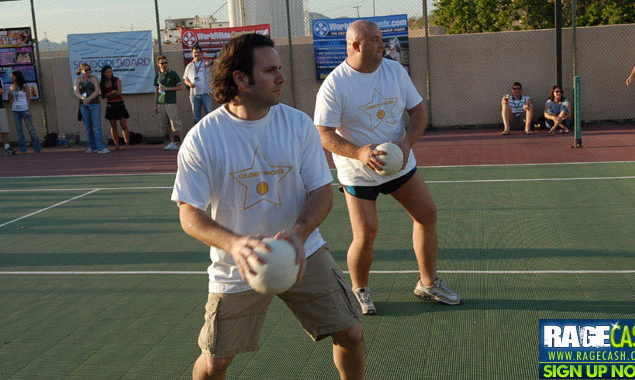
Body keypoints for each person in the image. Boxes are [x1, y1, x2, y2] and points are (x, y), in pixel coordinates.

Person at [172, 34, 364, 380]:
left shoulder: (298, 124)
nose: (281, 78)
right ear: (241, 80)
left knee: (350, 333)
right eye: (270, 70)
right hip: (238, 263)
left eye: (279, 69)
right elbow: (189, 213)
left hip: (300, 249)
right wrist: (235, 244)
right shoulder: (203, 137)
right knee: (215, 362)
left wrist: (299, 235)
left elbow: (321, 190)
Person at [314, 20, 461, 316]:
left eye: (382, 39)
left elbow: (418, 112)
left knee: (427, 214)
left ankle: (428, 283)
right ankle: (360, 290)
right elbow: (324, 134)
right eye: (377, 40)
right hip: (358, 172)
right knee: (366, 234)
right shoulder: (335, 84)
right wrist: (359, 152)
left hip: (399, 164)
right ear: (356, 45)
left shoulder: (394, 71)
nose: (384, 44)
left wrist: (406, 144)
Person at [73, 63, 109, 154]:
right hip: (83, 105)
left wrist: (89, 99)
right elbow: (76, 92)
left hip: (94, 104)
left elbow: (97, 91)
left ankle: (101, 147)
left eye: (89, 69)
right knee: (88, 127)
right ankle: (92, 147)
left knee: (96, 127)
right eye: (86, 70)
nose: (88, 71)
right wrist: (83, 99)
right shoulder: (78, 79)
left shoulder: (94, 78)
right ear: (82, 71)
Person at [154, 55, 185, 150]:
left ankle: (183, 143)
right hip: (161, 103)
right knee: (166, 125)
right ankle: (172, 143)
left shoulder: (173, 74)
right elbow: (156, 90)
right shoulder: (157, 75)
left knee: (175, 123)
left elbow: (180, 87)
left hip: (171, 102)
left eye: (166, 62)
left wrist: (167, 88)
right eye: (162, 63)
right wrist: (155, 104)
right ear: (158, 64)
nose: (164, 65)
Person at [8, 70, 42, 154]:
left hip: (25, 110)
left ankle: (37, 147)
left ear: (17, 76)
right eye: (11, 76)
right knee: (19, 130)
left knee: (31, 129)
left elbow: (28, 99)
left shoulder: (24, 86)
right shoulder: (11, 86)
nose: (11, 77)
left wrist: (29, 110)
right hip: (15, 110)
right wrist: (11, 98)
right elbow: (10, 96)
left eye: (13, 76)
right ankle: (23, 149)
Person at [100, 65, 130, 149]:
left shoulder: (117, 80)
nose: (109, 73)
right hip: (110, 105)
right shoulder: (102, 83)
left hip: (119, 104)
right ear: (103, 73)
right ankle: (116, 144)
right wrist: (111, 93)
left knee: (123, 125)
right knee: (113, 126)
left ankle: (127, 143)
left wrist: (110, 94)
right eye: (107, 72)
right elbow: (103, 95)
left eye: (110, 71)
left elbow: (119, 92)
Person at [183, 44, 213, 125]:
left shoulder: (206, 64)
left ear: (201, 53)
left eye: (198, 52)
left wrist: (211, 63)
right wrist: (189, 84)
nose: (197, 54)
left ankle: (210, 135)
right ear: (192, 54)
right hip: (194, 95)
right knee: (196, 117)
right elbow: (185, 79)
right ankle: (198, 136)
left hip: (206, 94)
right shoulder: (189, 66)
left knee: (210, 115)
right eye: (195, 53)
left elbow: (217, 66)